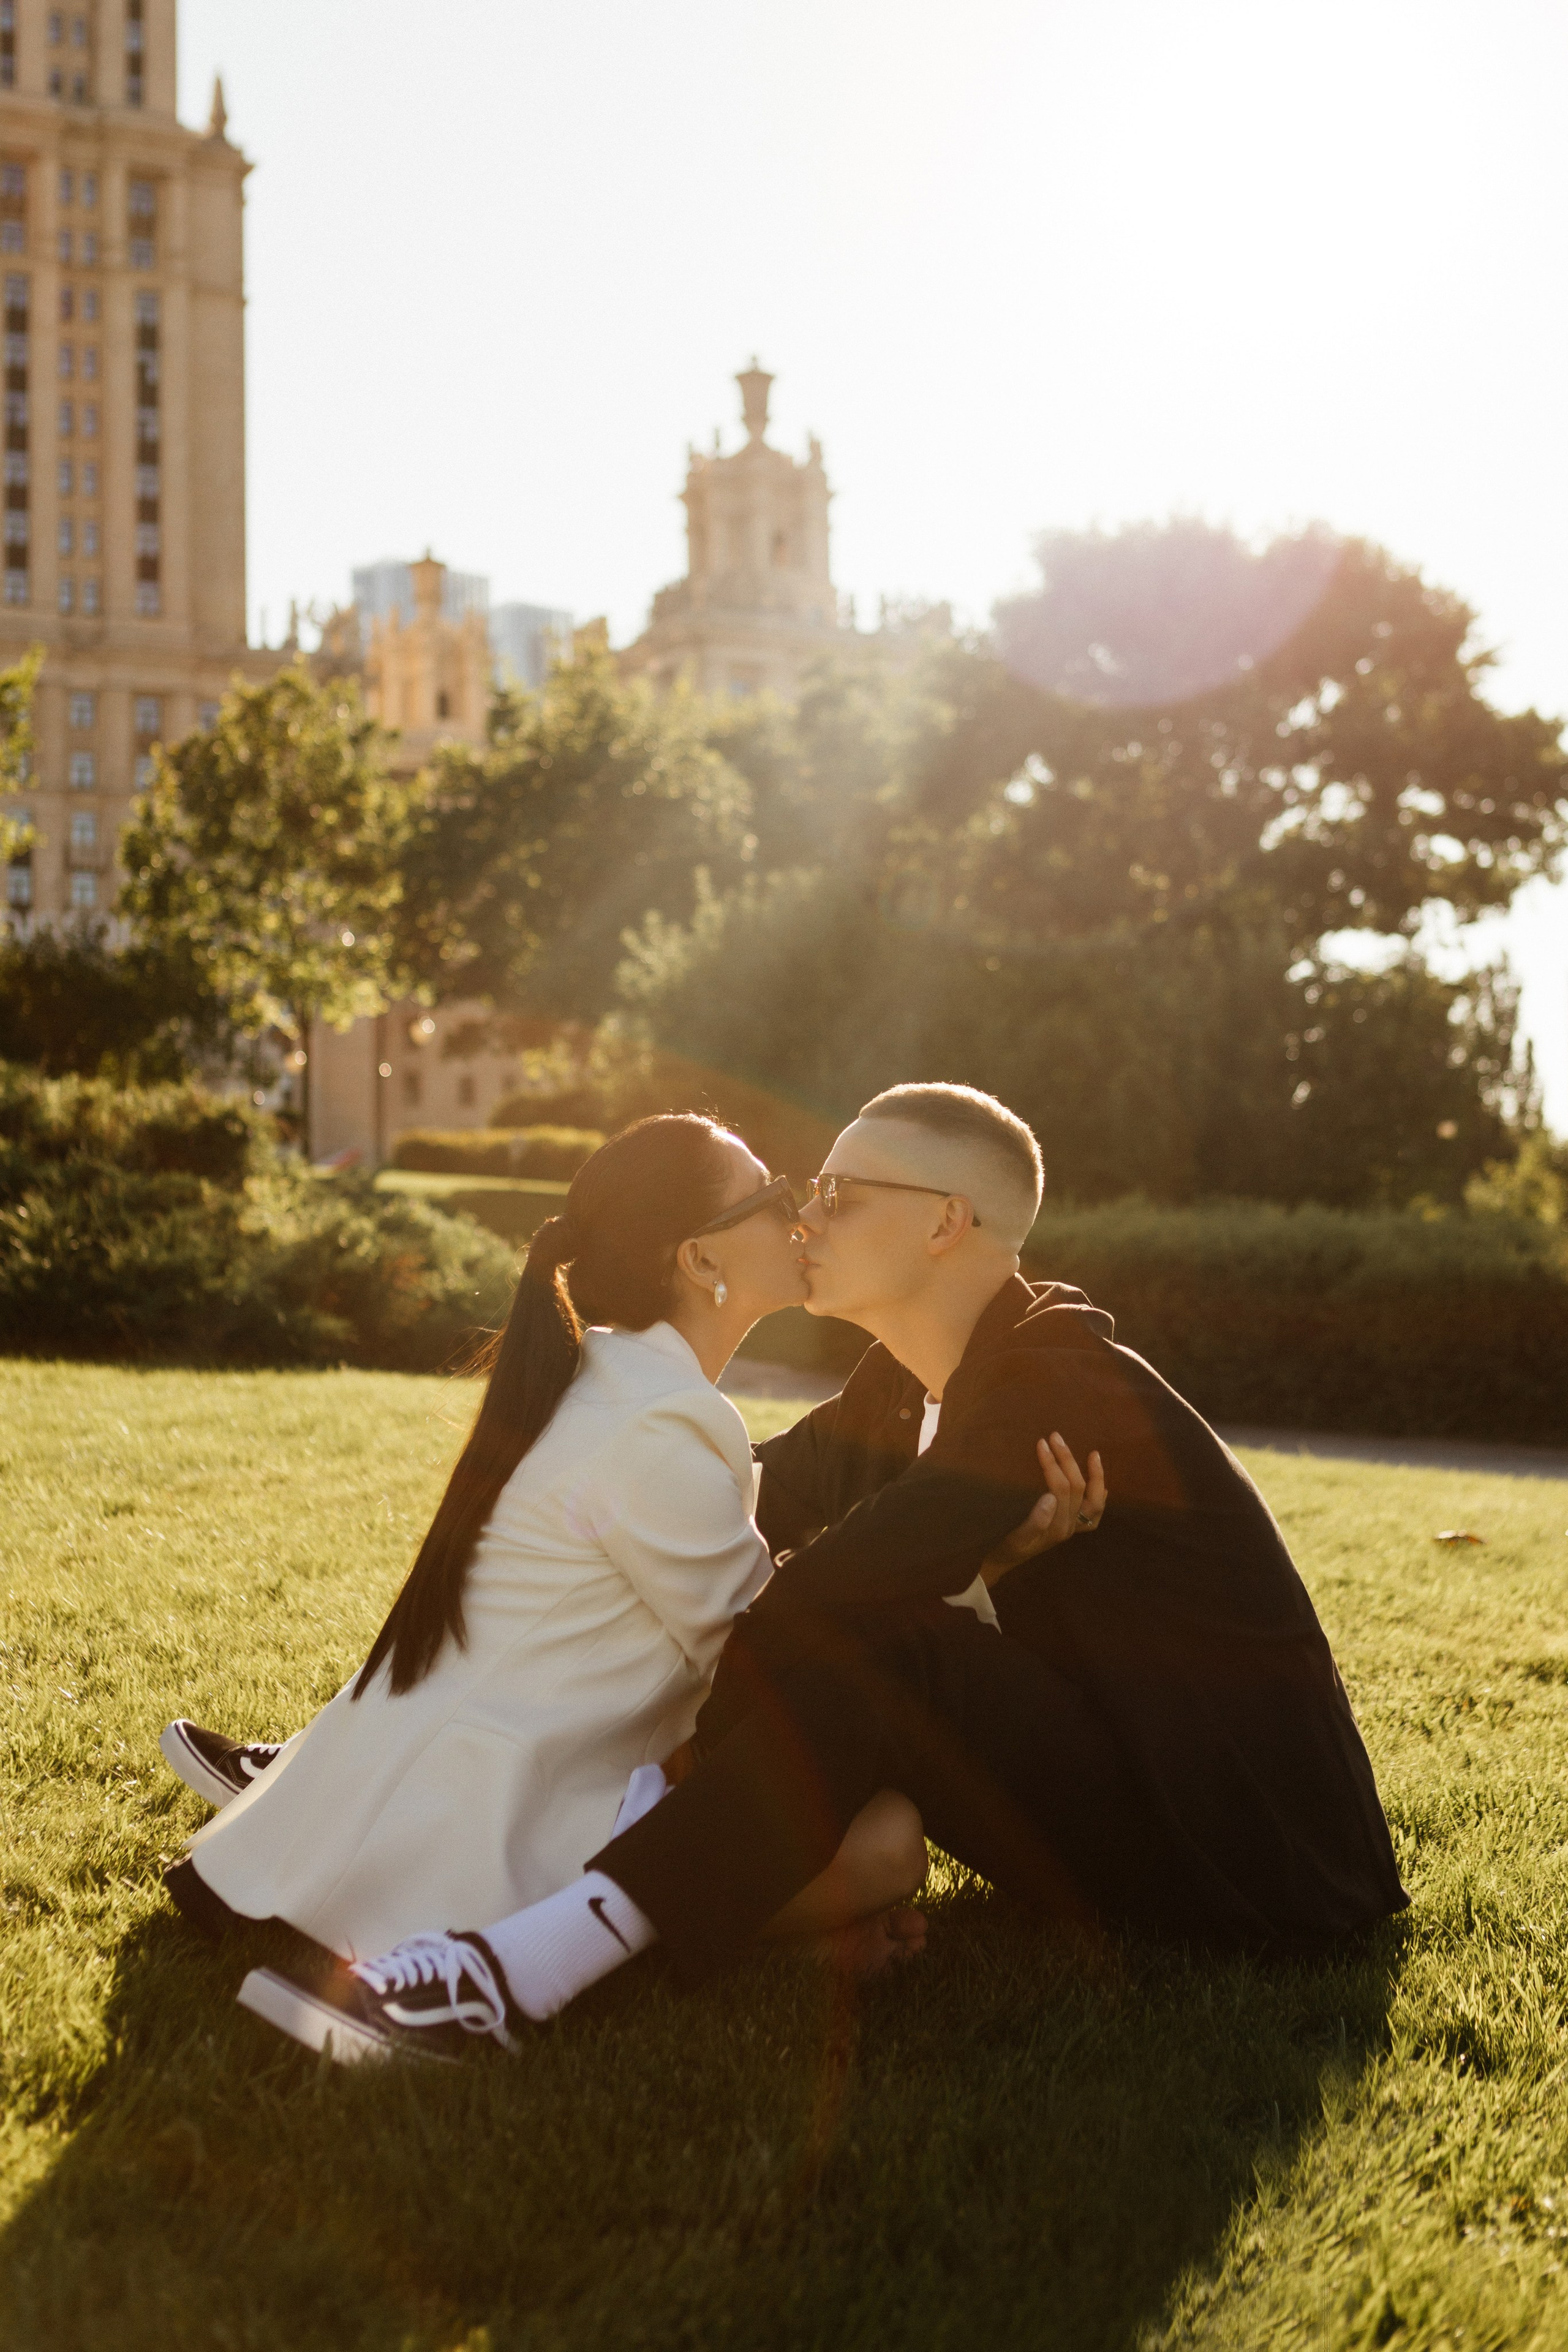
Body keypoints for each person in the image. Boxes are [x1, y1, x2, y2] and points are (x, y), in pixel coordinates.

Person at [239, 1081, 1407, 2063]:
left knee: (889, 1650)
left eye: (843, 1195)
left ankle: (510, 1973)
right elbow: (745, 1484)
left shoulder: (1053, 1392)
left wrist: (947, 1577)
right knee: (873, 1647)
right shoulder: (904, 1389)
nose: (808, 1216)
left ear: (946, 1223)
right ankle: (406, 1794)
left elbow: (795, 1621)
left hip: (1250, 1868)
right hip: (1110, 1788)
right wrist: (580, 1473)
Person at [163, 1110, 1084, 2008]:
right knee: (888, 1844)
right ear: (701, 1259)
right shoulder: (657, 1422)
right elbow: (776, 1652)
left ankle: (705, 1931)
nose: (801, 1214)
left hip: (490, 1773)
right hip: (498, 1816)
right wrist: (987, 1570)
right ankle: (607, 1945)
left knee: (834, 1812)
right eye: (771, 1197)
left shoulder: (617, 1380)